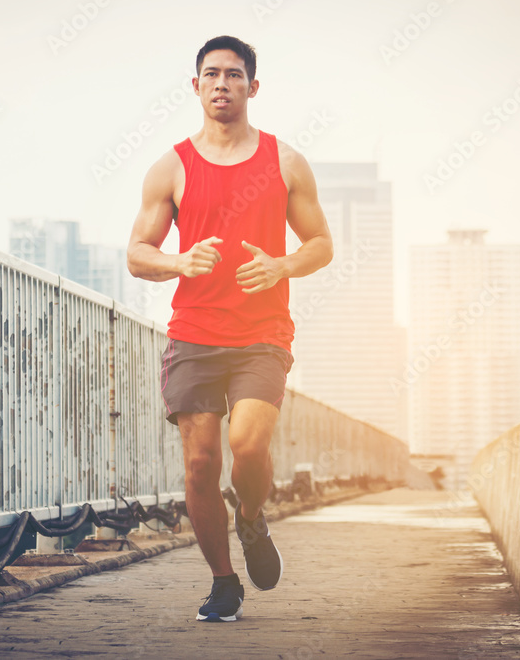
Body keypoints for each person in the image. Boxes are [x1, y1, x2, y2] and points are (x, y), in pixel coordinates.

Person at [126, 35, 333, 622]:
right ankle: (223, 582)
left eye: (234, 75)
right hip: (193, 332)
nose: (222, 84)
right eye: (211, 75)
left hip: (263, 332)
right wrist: (179, 261)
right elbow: (139, 253)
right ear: (196, 87)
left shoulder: (285, 162)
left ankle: (250, 517)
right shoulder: (171, 167)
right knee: (199, 463)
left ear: (253, 87)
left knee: (247, 444)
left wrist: (283, 265)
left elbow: (321, 243)